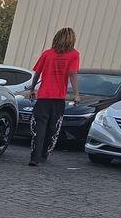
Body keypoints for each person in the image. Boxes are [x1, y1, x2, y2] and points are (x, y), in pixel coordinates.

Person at [24, 27, 81, 166]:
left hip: (44, 97)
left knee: (40, 128)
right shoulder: (74, 55)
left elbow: (37, 73)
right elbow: (73, 74)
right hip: (58, 98)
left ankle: (35, 157)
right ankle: (43, 154)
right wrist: (76, 94)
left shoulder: (47, 54)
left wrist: (32, 89)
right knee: (52, 128)